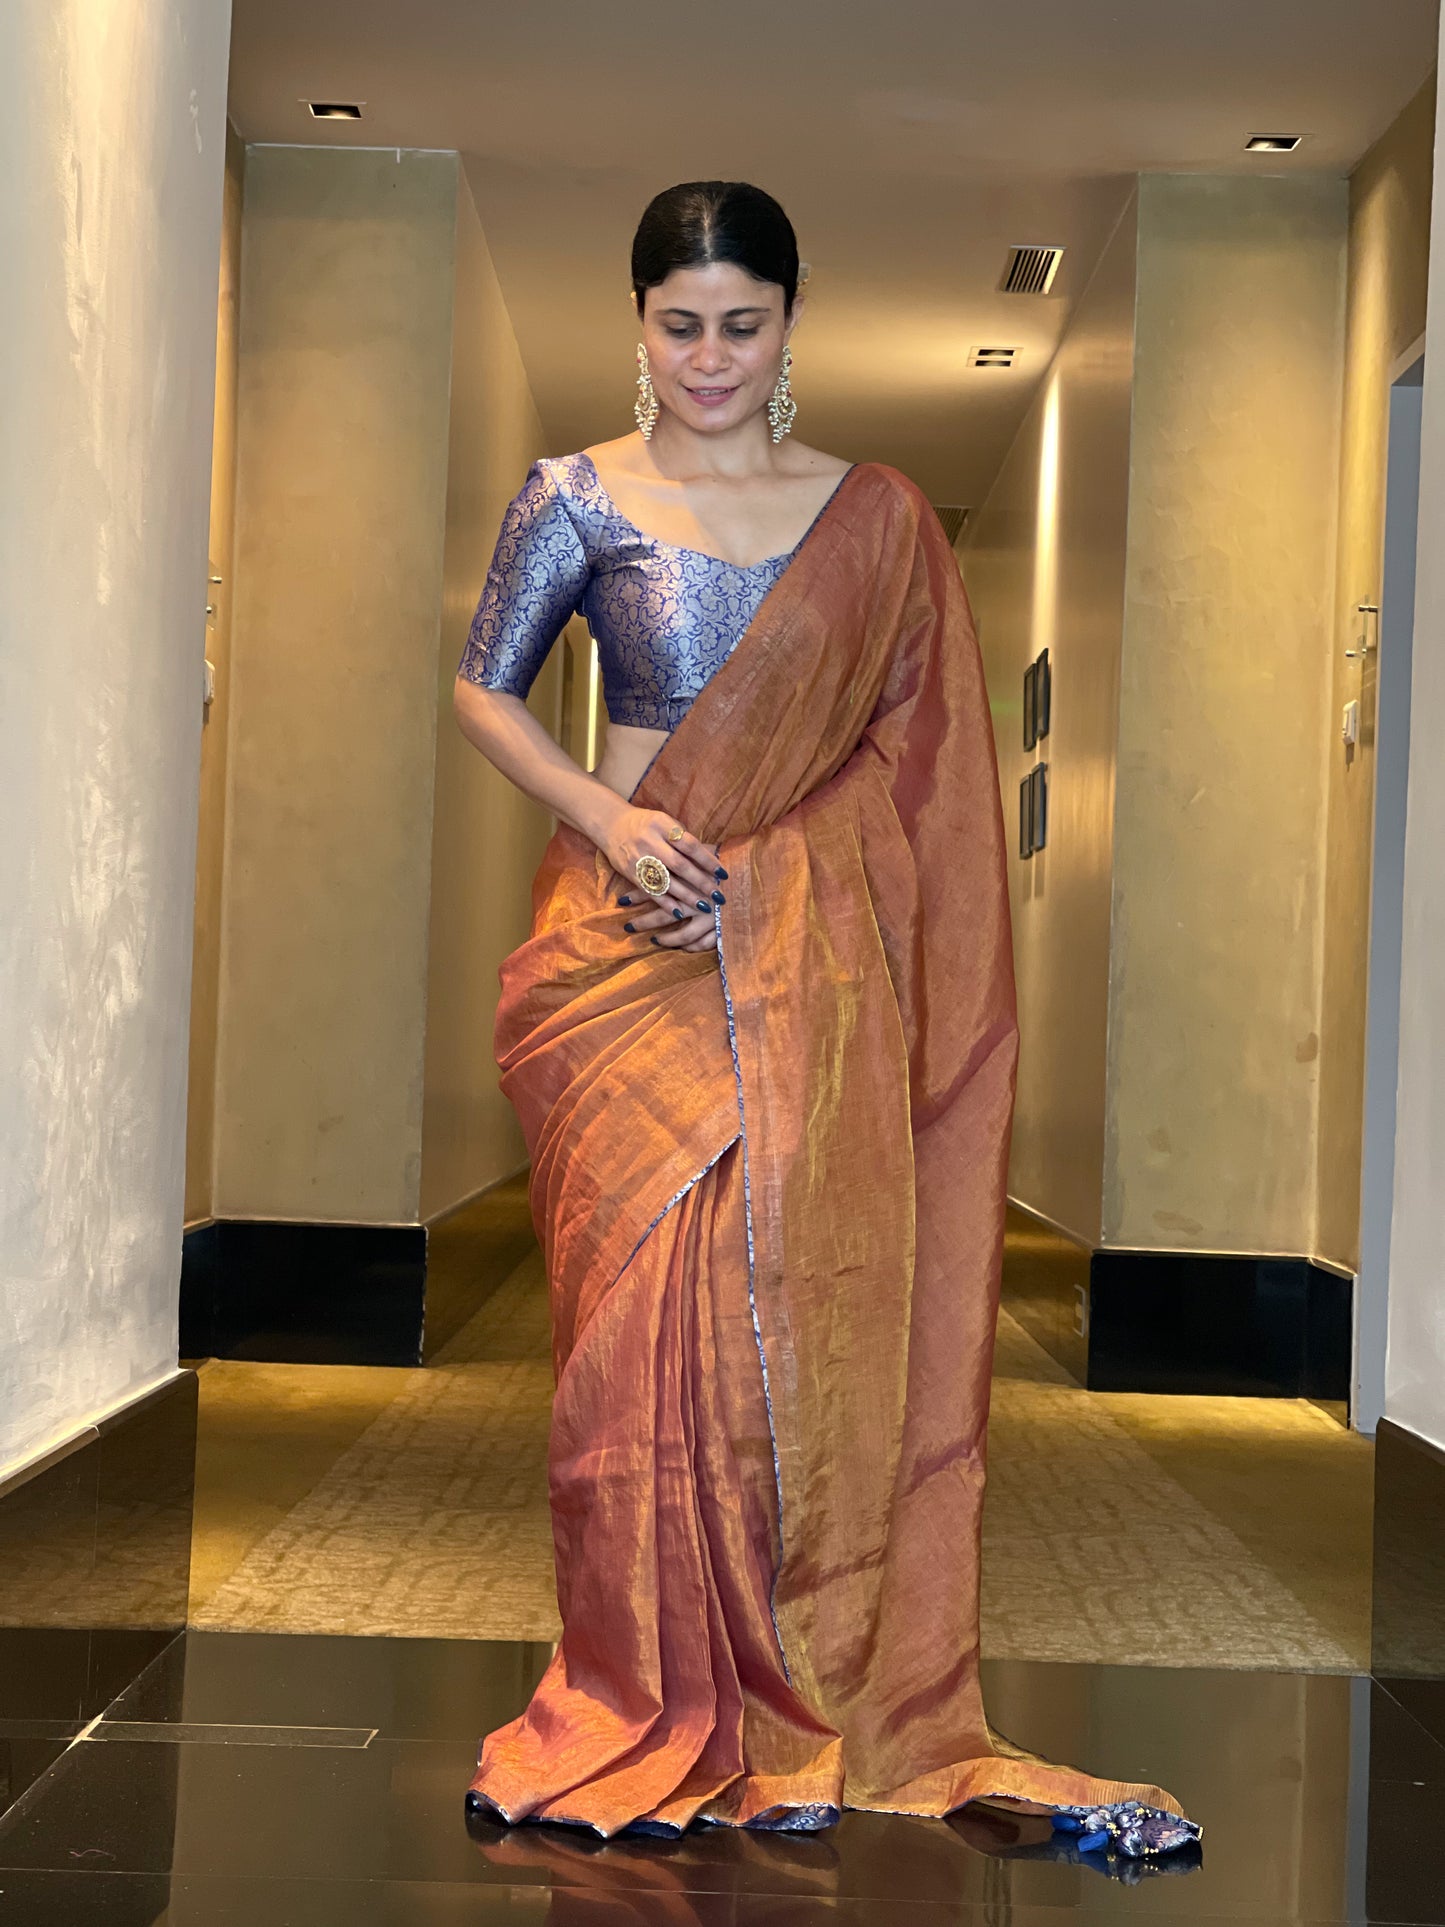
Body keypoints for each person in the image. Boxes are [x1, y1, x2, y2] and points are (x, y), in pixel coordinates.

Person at [451, 179, 1201, 1862]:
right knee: (625, 1353)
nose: (709, 357)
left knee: (772, 1320)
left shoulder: (872, 518)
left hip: (800, 970)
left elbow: (911, 763)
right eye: (679, 325)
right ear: (638, 323)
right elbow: (481, 688)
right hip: (621, 953)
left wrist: (773, 875)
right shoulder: (574, 494)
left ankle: (793, 1678)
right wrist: (610, 821)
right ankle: (637, 1681)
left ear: (790, 322)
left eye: (743, 323)